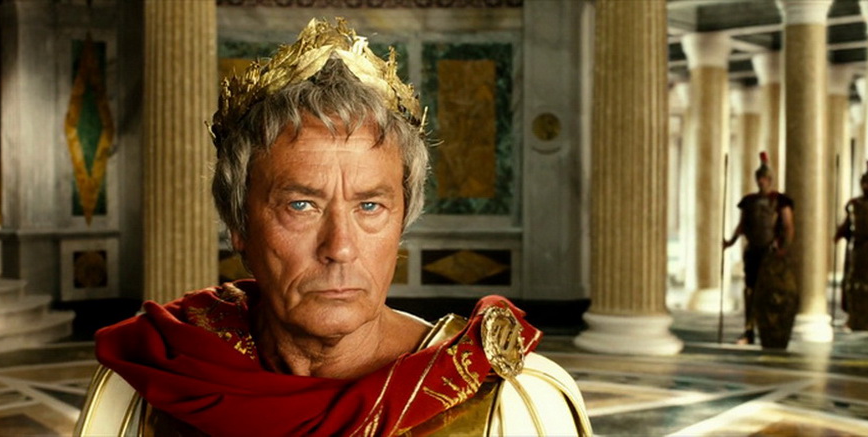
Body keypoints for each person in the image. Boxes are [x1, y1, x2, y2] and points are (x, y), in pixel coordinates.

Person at [76, 19, 589, 437]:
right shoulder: (155, 382)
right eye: (301, 205)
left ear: (402, 221)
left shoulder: (512, 405)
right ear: (238, 223)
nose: (340, 247)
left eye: (370, 206)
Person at [724, 152, 797, 349]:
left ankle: (773, 331)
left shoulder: (780, 201)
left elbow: (788, 226)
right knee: (750, 291)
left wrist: (784, 248)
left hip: (771, 253)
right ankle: (749, 330)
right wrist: (730, 242)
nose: (761, 181)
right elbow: (742, 225)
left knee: (771, 293)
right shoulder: (749, 201)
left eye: (764, 178)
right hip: (753, 252)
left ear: (770, 180)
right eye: (759, 178)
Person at [834, 161, 868, 332]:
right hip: (857, 248)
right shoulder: (855, 204)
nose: (866, 186)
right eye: (864, 183)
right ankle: (854, 317)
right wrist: (839, 234)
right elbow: (848, 225)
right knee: (853, 284)